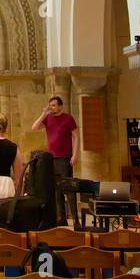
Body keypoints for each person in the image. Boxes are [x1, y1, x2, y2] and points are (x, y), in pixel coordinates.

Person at [32, 95, 79, 225]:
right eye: (50, 105)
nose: (51, 108)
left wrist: (75, 155)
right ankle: (61, 218)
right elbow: (34, 127)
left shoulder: (68, 118)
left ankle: (75, 219)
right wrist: (43, 114)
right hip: (52, 158)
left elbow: (76, 137)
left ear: (60, 106)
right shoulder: (48, 118)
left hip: (65, 158)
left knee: (69, 189)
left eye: (53, 105)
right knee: (57, 190)